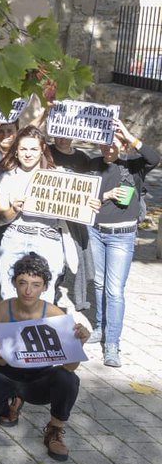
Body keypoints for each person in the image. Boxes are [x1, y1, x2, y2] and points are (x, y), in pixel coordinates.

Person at [0, 253, 88, 461]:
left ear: (45, 287)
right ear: (14, 283)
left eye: (36, 285)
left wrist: (78, 344)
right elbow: (1, 361)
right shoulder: (0, 311)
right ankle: (10, 405)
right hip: (7, 371)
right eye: (22, 283)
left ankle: (55, 429)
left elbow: (70, 367)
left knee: (68, 379)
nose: (28, 290)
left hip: (38, 376)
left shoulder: (56, 315)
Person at [86, 120, 158, 367]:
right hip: (96, 231)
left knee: (114, 290)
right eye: (104, 142)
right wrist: (104, 195)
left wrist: (128, 134)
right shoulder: (93, 165)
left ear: (123, 144)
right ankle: (100, 327)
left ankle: (112, 343)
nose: (108, 147)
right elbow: (82, 193)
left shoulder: (133, 165)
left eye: (114, 142)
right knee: (98, 283)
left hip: (122, 235)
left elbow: (154, 158)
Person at [0, 126, 64, 303]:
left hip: (47, 239)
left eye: (33, 149)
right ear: (16, 151)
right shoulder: (8, 176)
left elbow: (76, 208)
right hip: (14, 238)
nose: (28, 154)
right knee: (10, 296)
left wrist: (88, 205)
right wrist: (14, 210)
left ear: (42, 149)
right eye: (23, 149)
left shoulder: (59, 175)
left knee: (43, 300)